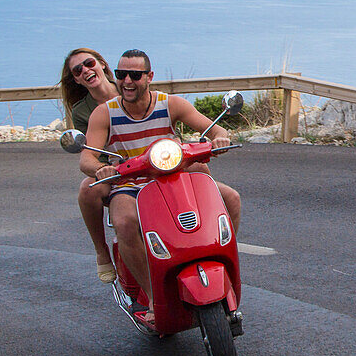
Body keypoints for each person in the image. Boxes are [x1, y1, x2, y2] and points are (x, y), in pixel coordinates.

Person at [80, 49, 242, 320]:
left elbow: (213, 129)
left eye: (135, 75)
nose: (127, 81)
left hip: (173, 176)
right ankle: (153, 298)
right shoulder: (104, 114)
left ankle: (223, 273)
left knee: (232, 199)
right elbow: (87, 157)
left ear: (149, 76)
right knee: (124, 222)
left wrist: (220, 138)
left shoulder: (170, 104)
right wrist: (101, 168)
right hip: (129, 183)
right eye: (121, 75)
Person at [59, 48, 121, 283]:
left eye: (89, 63)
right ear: (76, 79)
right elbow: (91, 152)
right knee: (87, 189)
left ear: (102, 64)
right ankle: (101, 251)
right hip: (117, 168)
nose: (86, 70)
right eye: (78, 70)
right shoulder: (83, 111)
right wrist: (102, 169)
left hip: (152, 160)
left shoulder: (129, 88)